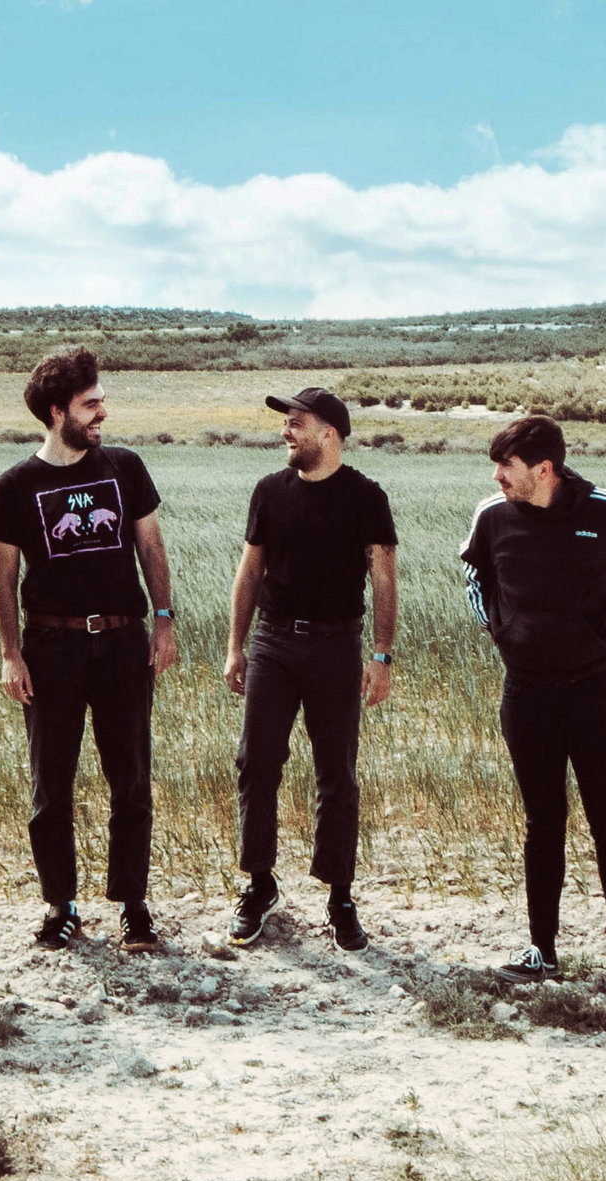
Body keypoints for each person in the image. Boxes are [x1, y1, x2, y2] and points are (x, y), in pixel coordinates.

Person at [459, 415, 606, 990]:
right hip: (526, 693)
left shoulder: (604, 510)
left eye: (507, 466)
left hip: (595, 692)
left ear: (544, 469)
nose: (498, 477)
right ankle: (541, 950)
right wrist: (498, 629)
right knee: (542, 821)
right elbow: (473, 571)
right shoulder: (492, 516)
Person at [0, 348, 177, 952]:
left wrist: (164, 621)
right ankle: (61, 905)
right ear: (55, 411)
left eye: (101, 402)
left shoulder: (125, 467)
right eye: (90, 404)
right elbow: (2, 580)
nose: (102, 414)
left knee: (132, 778)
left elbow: (151, 547)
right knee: (51, 785)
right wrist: (11, 654)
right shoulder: (15, 486)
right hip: (51, 648)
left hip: (122, 642)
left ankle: (133, 905)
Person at [223, 387, 397, 952]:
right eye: (287, 423)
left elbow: (384, 577)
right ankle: (260, 883)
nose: (286, 432)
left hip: (336, 646)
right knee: (256, 761)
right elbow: (250, 571)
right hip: (273, 643)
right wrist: (236, 646)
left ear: (329, 433)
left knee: (336, 772)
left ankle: (340, 895)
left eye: (296, 423)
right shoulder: (270, 491)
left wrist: (381, 656)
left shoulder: (366, 497)